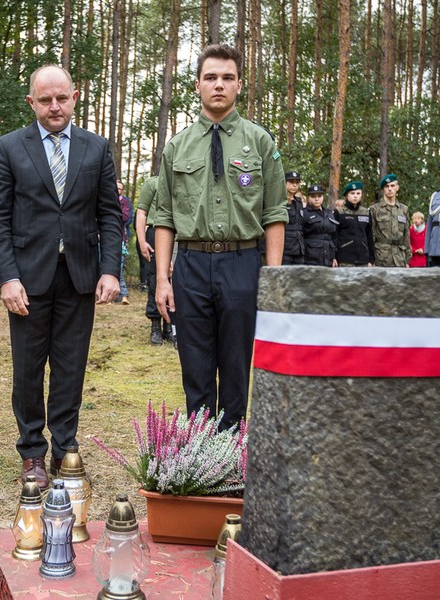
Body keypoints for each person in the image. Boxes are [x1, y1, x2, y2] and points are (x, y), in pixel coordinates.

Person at [0, 64, 121, 490]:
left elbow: (109, 214)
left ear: (74, 96)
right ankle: (32, 452)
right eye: (45, 100)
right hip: (27, 279)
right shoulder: (9, 147)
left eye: (61, 97)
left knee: (70, 367)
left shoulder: (96, 148)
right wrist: (7, 277)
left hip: (79, 276)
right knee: (28, 368)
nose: (54, 106)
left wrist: (110, 269)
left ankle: (65, 448)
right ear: (32, 102)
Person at [154, 44, 288, 430]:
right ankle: (200, 455)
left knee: (235, 367)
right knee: (195, 368)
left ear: (239, 85)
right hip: (191, 265)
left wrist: (272, 278)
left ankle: (231, 458)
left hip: (241, 263)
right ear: (197, 85)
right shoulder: (177, 146)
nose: (219, 85)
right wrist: (163, 279)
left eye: (227, 78)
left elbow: (275, 213)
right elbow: (163, 216)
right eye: (211, 77)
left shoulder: (260, 142)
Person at [135, 175, 165, 344]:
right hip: (156, 232)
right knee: (155, 278)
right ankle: (155, 324)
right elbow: (141, 213)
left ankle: (170, 324)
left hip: (180, 234)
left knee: (176, 280)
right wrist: (142, 241)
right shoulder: (153, 183)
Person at [370, 173, 411, 267]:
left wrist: (407, 260)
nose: (389, 189)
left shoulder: (404, 209)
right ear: (383, 189)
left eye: (392, 186)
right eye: (386, 186)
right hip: (381, 257)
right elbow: (371, 236)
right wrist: (371, 259)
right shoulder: (374, 209)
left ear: (397, 187)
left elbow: (407, 235)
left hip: (400, 258)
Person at [335, 180, 373, 266]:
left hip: (363, 259)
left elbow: (370, 236)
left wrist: (371, 259)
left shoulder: (366, 212)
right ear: (347, 195)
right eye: (352, 193)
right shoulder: (339, 212)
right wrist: (334, 256)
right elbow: (334, 235)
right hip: (345, 259)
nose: (355, 196)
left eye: (358, 193)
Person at [301, 184, 338, 267]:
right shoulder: (304, 213)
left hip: (328, 258)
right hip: (310, 258)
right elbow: (300, 237)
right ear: (308, 197)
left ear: (323, 197)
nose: (316, 199)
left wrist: (335, 257)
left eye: (319, 196)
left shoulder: (329, 213)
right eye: (313, 196)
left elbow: (334, 236)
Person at [282, 170, 305, 264]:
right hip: (285, 247)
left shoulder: (298, 202)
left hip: (299, 247)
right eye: (291, 182)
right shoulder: (280, 200)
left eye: (297, 182)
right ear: (285, 182)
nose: (295, 185)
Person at [115, 180, 132, 305]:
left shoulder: (125, 202)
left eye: (120, 189)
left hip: (119, 238)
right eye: (116, 188)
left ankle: (124, 294)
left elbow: (126, 218)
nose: (118, 190)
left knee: (119, 267)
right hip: (101, 237)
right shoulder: (104, 198)